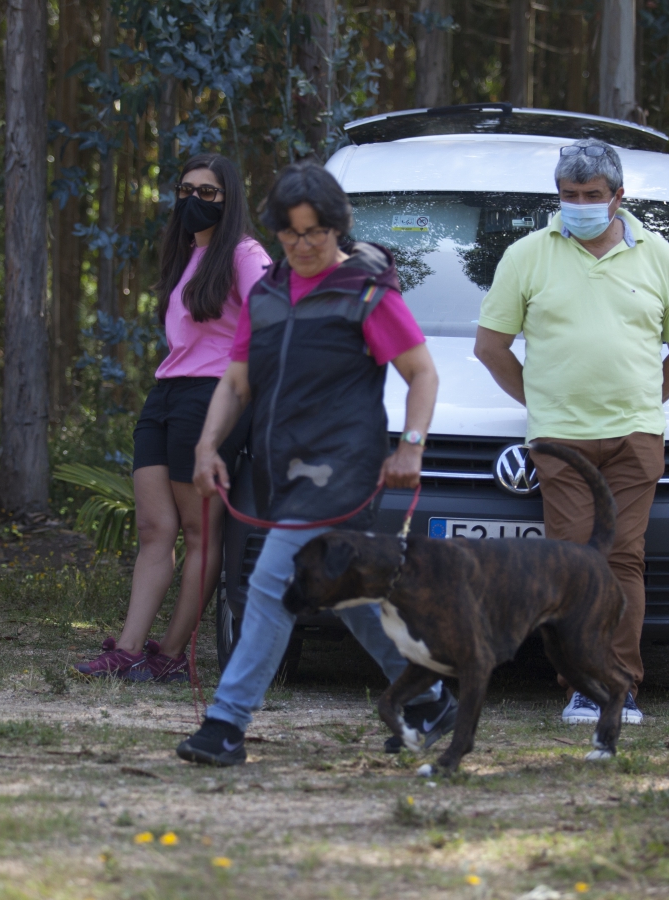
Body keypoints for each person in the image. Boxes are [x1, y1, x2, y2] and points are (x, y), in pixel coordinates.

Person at [175, 161, 458, 766]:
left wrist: (411, 445)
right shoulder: (266, 295)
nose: (302, 245)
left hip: (345, 470)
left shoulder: (366, 293)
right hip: (283, 472)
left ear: (337, 227)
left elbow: (422, 372)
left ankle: (226, 724)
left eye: (315, 233)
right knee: (348, 594)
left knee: (272, 583)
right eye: (290, 233)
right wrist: (206, 446)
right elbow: (236, 381)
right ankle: (429, 698)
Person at [473, 138, 669, 726]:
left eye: (591, 195)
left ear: (618, 196)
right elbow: (490, 347)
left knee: (623, 558)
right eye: (569, 195)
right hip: (561, 441)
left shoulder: (661, 257)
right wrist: (542, 403)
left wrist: (643, 403)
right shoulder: (527, 255)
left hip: (635, 439)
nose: (579, 205)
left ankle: (617, 689)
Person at [76, 153, 272, 684]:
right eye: (186, 191)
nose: (194, 201)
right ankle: (128, 649)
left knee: (199, 532)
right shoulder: (186, 254)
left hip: (213, 397)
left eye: (207, 193)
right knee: (154, 527)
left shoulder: (244, 253)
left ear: (228, 199)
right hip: (165, 393)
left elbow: (273, 318)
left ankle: (171, 655)